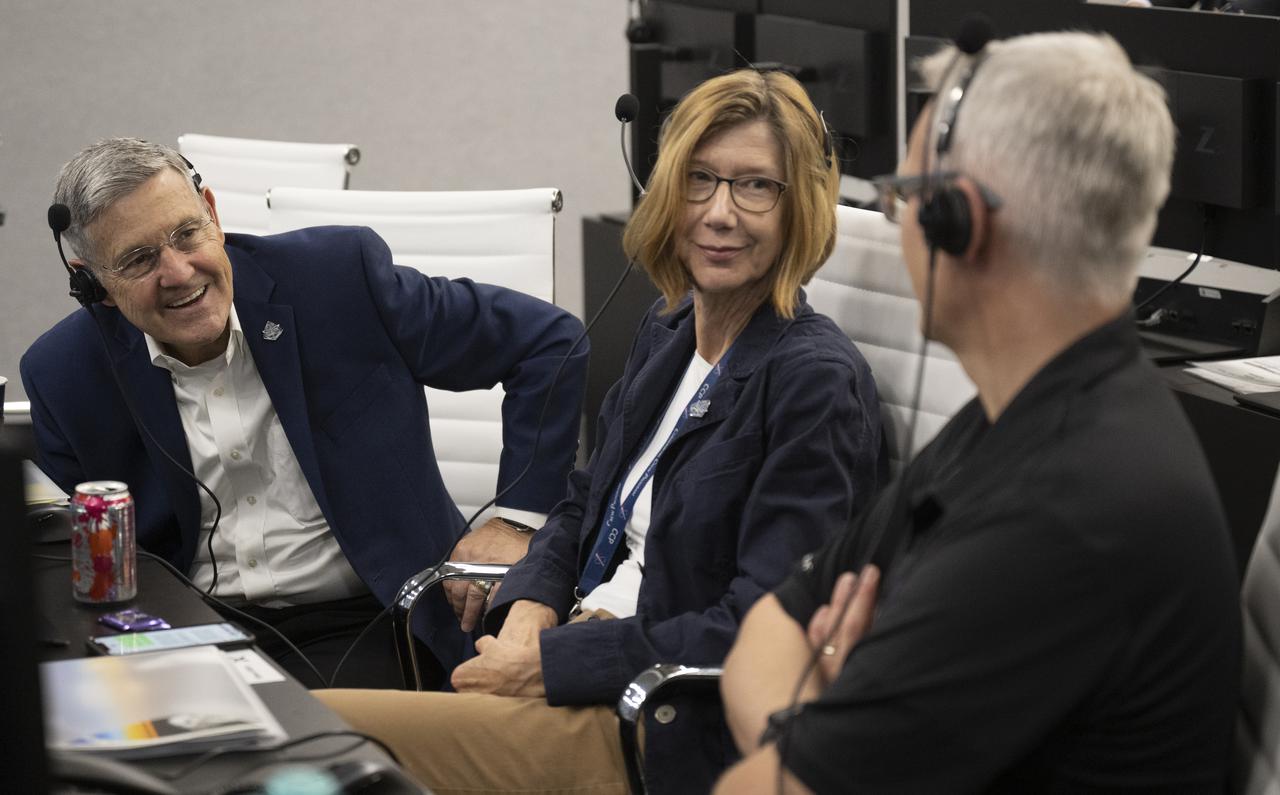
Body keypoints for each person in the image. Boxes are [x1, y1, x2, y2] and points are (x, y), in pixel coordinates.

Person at [318, 68, 886, 793]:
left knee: (315, 739)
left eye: (755, 186)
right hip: (577, 660)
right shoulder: (670, 329)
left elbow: (767, 624)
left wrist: (554, 664)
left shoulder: (814, 382)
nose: (719, 212)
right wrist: (533, 600)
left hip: (659, 720)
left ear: (799, 207)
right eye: (699, 180)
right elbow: (586, 499)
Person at [717, 31, 1242, 793]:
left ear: (958, 222)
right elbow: (770, 626)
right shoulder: (1029, 413)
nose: (899, 222)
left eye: (904, 197)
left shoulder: (1061, 513)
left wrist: (811, 723)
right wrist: (809, 725)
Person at [20, 138, 588, 688]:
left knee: (305, 749)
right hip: (184, 632)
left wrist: (518, 521)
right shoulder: (63, 373)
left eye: (187, 234)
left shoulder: (337, 280)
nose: (179, 272)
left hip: (360, 619)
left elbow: (548, 343)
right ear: (91, 282)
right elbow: (63, 554)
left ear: (212, 212)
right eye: (139, 259)